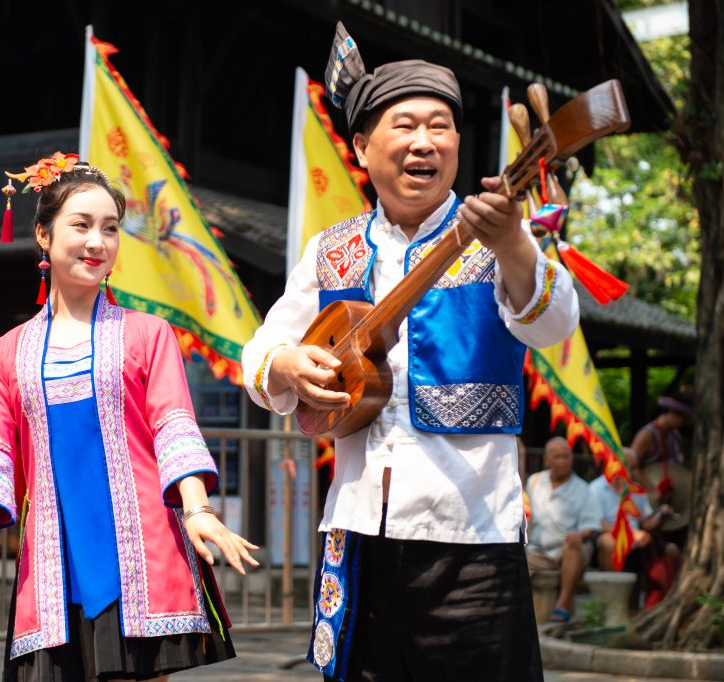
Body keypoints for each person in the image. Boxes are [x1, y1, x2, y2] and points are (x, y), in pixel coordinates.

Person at [241, 23, 579, 682]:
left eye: (441, 126)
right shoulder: (331, 249)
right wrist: (285, 365)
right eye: (406, 126)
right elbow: (263, 348)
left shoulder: (497, 236)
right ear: (363, 147)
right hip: (358, 535)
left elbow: (555, 322)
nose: (425, 141)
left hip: (473, 539)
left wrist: (513, 243)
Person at [0, 154, 258, 682]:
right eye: (81, 225)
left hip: (141, 557)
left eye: (110, 229)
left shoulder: (148, 335)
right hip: (53, 562)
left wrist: (197, 510)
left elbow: (174, 426)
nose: (97, 242)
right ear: (43, 234)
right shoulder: (4, 355)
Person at [589, 447, 680, 607]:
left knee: (671, 550)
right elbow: (599, 524)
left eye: (634, 467)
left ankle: (660, 601)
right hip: (612, 541)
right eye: (629, 466)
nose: (633, 471)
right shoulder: (596, 488)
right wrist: (630, 533)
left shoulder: (636, 489)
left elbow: (646, 522)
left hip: (636, 544)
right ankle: (613, 601)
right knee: (608, 542)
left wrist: (660, 515)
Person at [525, 437, 601, 623]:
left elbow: (591, 527)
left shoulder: (583, 489)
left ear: (571, 459)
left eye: (565, 456)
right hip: (538, 550)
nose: (562, 461)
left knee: (574, 545)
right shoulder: (534, 481)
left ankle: (562, 605)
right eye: (556, 457)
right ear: (547, 460)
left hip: (567, 550)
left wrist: (579, 535)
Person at [630, 387, 693, 497]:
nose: (685, 423)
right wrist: (653, 491)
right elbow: (631, 467)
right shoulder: (647, 435)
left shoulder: (675, 436)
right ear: (673, 412)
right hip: (645, 498)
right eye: (684, 419)